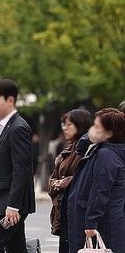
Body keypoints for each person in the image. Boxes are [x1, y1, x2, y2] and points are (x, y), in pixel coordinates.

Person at [0, 79, 35, 253]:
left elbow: (22, 169)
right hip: (6, 202)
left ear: (10, 100)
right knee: (16, 248)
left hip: (9, 205)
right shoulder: (7, 126)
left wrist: (13, 206)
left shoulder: (18, 128)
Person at [66, 108, 125, 252]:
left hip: (105, 225)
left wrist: (91, 223)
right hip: (104, 221)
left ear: (110, 133)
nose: (92, 130)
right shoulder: (102, 149)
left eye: (97, 127)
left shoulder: (106, 155)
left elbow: (100, 191)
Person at [48, 109, 92, 253]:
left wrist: (64, 182)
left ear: (80, 126)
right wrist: (60, 183)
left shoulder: (86, 149)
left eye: (69, 125)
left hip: (76, 210)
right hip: (63, 207)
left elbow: (80, 180)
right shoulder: (68, 149)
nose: (64, 128)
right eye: (64, 125)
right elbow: (53, 181)